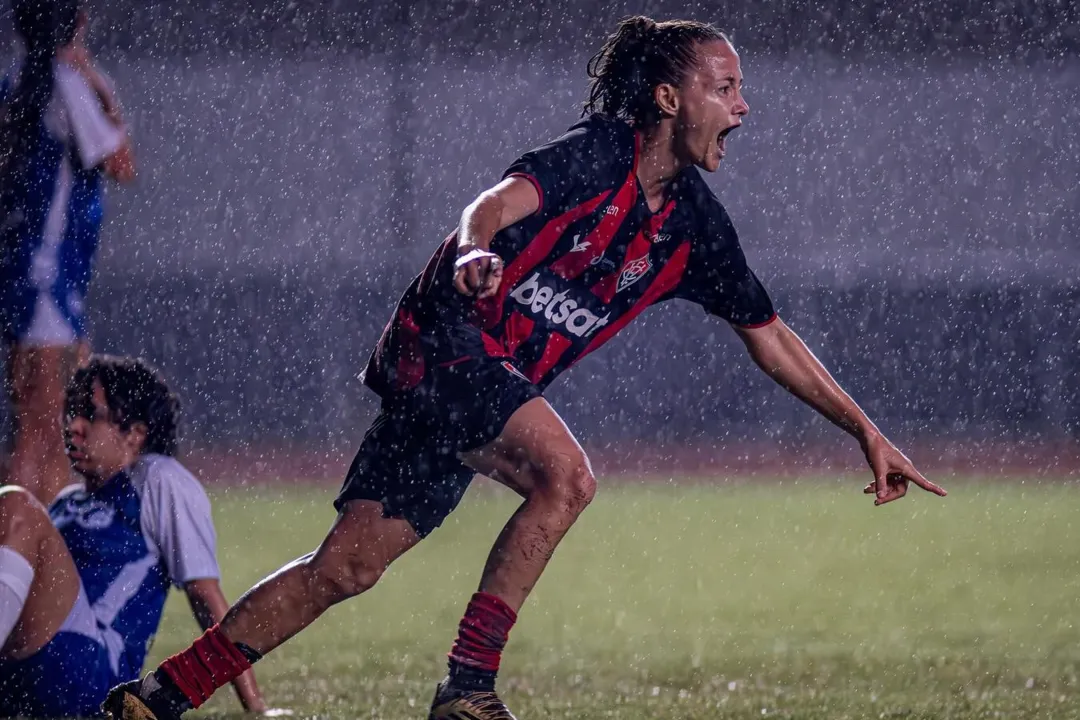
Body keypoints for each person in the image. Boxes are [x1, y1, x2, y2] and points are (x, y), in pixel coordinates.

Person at [103, 15, 947, 720]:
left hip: (469, 379)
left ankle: (161, 696)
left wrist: (864, 430)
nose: (743, 107)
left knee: (347, 566)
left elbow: (769, 337)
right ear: (667, 96)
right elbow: (496, 203)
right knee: (567, 478)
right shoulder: (596, 154)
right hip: (446, 340)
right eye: (725, 88)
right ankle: (468, 687)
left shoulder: (693, 227)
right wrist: (474, 249)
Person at [0, 355, 267, 717]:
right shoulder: (67, 502)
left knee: (14, 505)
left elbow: (205, 597)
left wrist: (256, 706)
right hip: (27, 676)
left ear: (134, 435)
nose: (73, 426)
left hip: (92, 674)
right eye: (72, 412)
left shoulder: (159, 480)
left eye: (91, 415)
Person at [0, 0, 135, 506]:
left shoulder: (16, 80)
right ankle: (28, 555)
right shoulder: (66, 85)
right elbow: (122, 162)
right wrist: (95, 78)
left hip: (24, 273)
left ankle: (31, 551)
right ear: (75, 24)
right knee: (49, 432)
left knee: (35, 426)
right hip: (49, 278)